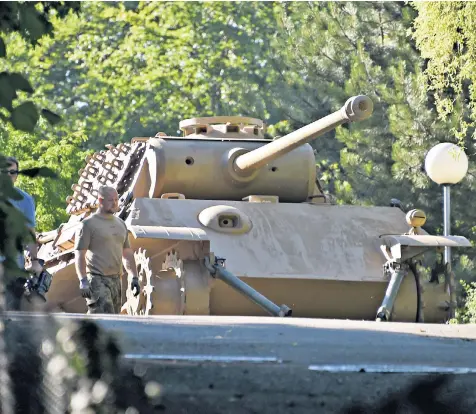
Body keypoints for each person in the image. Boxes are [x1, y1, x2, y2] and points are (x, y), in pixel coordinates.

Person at [74, 185, 140, 314]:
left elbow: (127, 253)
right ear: (100, 201)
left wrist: (134, 276)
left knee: (113, 320)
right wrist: (83, 280)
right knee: (103, 318)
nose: (115, 203)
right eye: (110, 200)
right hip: (97, 279)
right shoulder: (88, 225)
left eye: (116, 199)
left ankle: (86, 333)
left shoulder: (121, 224)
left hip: (116, 280)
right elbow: (79, 254)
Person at [3, 156, 43, 309]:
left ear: (17, 175)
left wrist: (34, 261)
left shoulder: (25, 200)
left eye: (12, 172)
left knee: (12, 315)